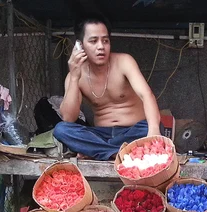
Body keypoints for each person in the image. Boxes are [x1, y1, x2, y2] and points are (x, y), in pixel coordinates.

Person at [53, 14, 161, 160]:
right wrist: (74, 76)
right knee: (61, 130)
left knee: (152, 126)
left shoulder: (124, 62)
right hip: (100, 134)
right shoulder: (75, 75)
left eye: (105, 41)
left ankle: (99, 152)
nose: (101, 47)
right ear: (80, 45)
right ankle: (120, 152)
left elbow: (146, 95)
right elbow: (69, 118)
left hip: (134, 131)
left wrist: (153, 131)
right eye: (93, 41)